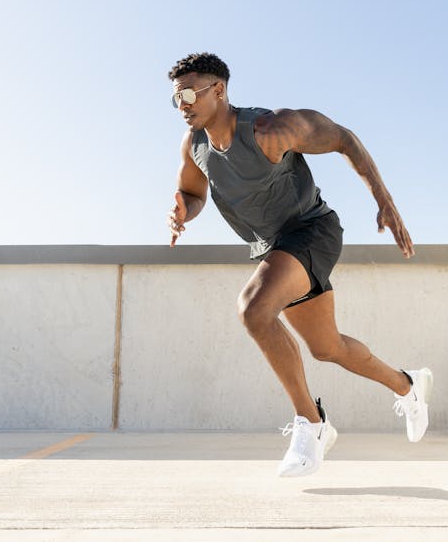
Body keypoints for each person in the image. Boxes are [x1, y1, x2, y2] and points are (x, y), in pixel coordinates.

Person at [166, 52, 432, 477]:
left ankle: (312, 423)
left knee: (254, 309)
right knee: (328, 348)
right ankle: (409, 385)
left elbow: (344, 137)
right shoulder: (195, 146)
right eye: (174, 97)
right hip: (273, 247)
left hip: (311, 230)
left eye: (188, 93)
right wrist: (184, 212)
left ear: (218, 90)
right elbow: (193, 192)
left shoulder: (271, 129)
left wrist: (385, 202)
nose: (181, 104)